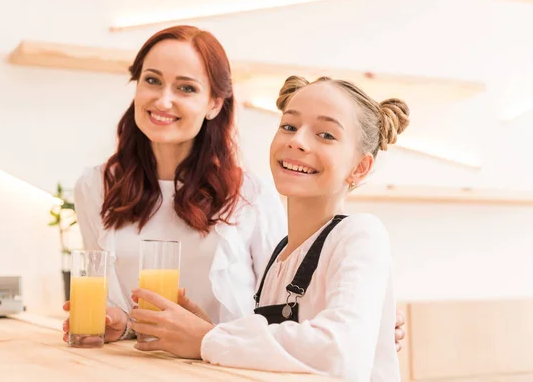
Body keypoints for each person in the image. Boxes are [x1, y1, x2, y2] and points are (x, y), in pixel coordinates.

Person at [60, 24, 406, 349]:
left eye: (186, 88)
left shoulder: (250, 193)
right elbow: (115, 299)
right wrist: (120, 323)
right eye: (152, 80)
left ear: (214, 103)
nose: (164, 101)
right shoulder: (95, 187)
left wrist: (361, 312)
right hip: (143, 363)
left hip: (224, 367)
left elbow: (279, 305)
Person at [129, 75, 410, 381]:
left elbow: (340, 352)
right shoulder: (282, 256)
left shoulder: (360, 235)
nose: (297, 141)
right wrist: (212, 331)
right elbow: (279, 352)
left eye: (326, 135)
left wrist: (208, 340)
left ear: (360, 167)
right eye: (289, 126)